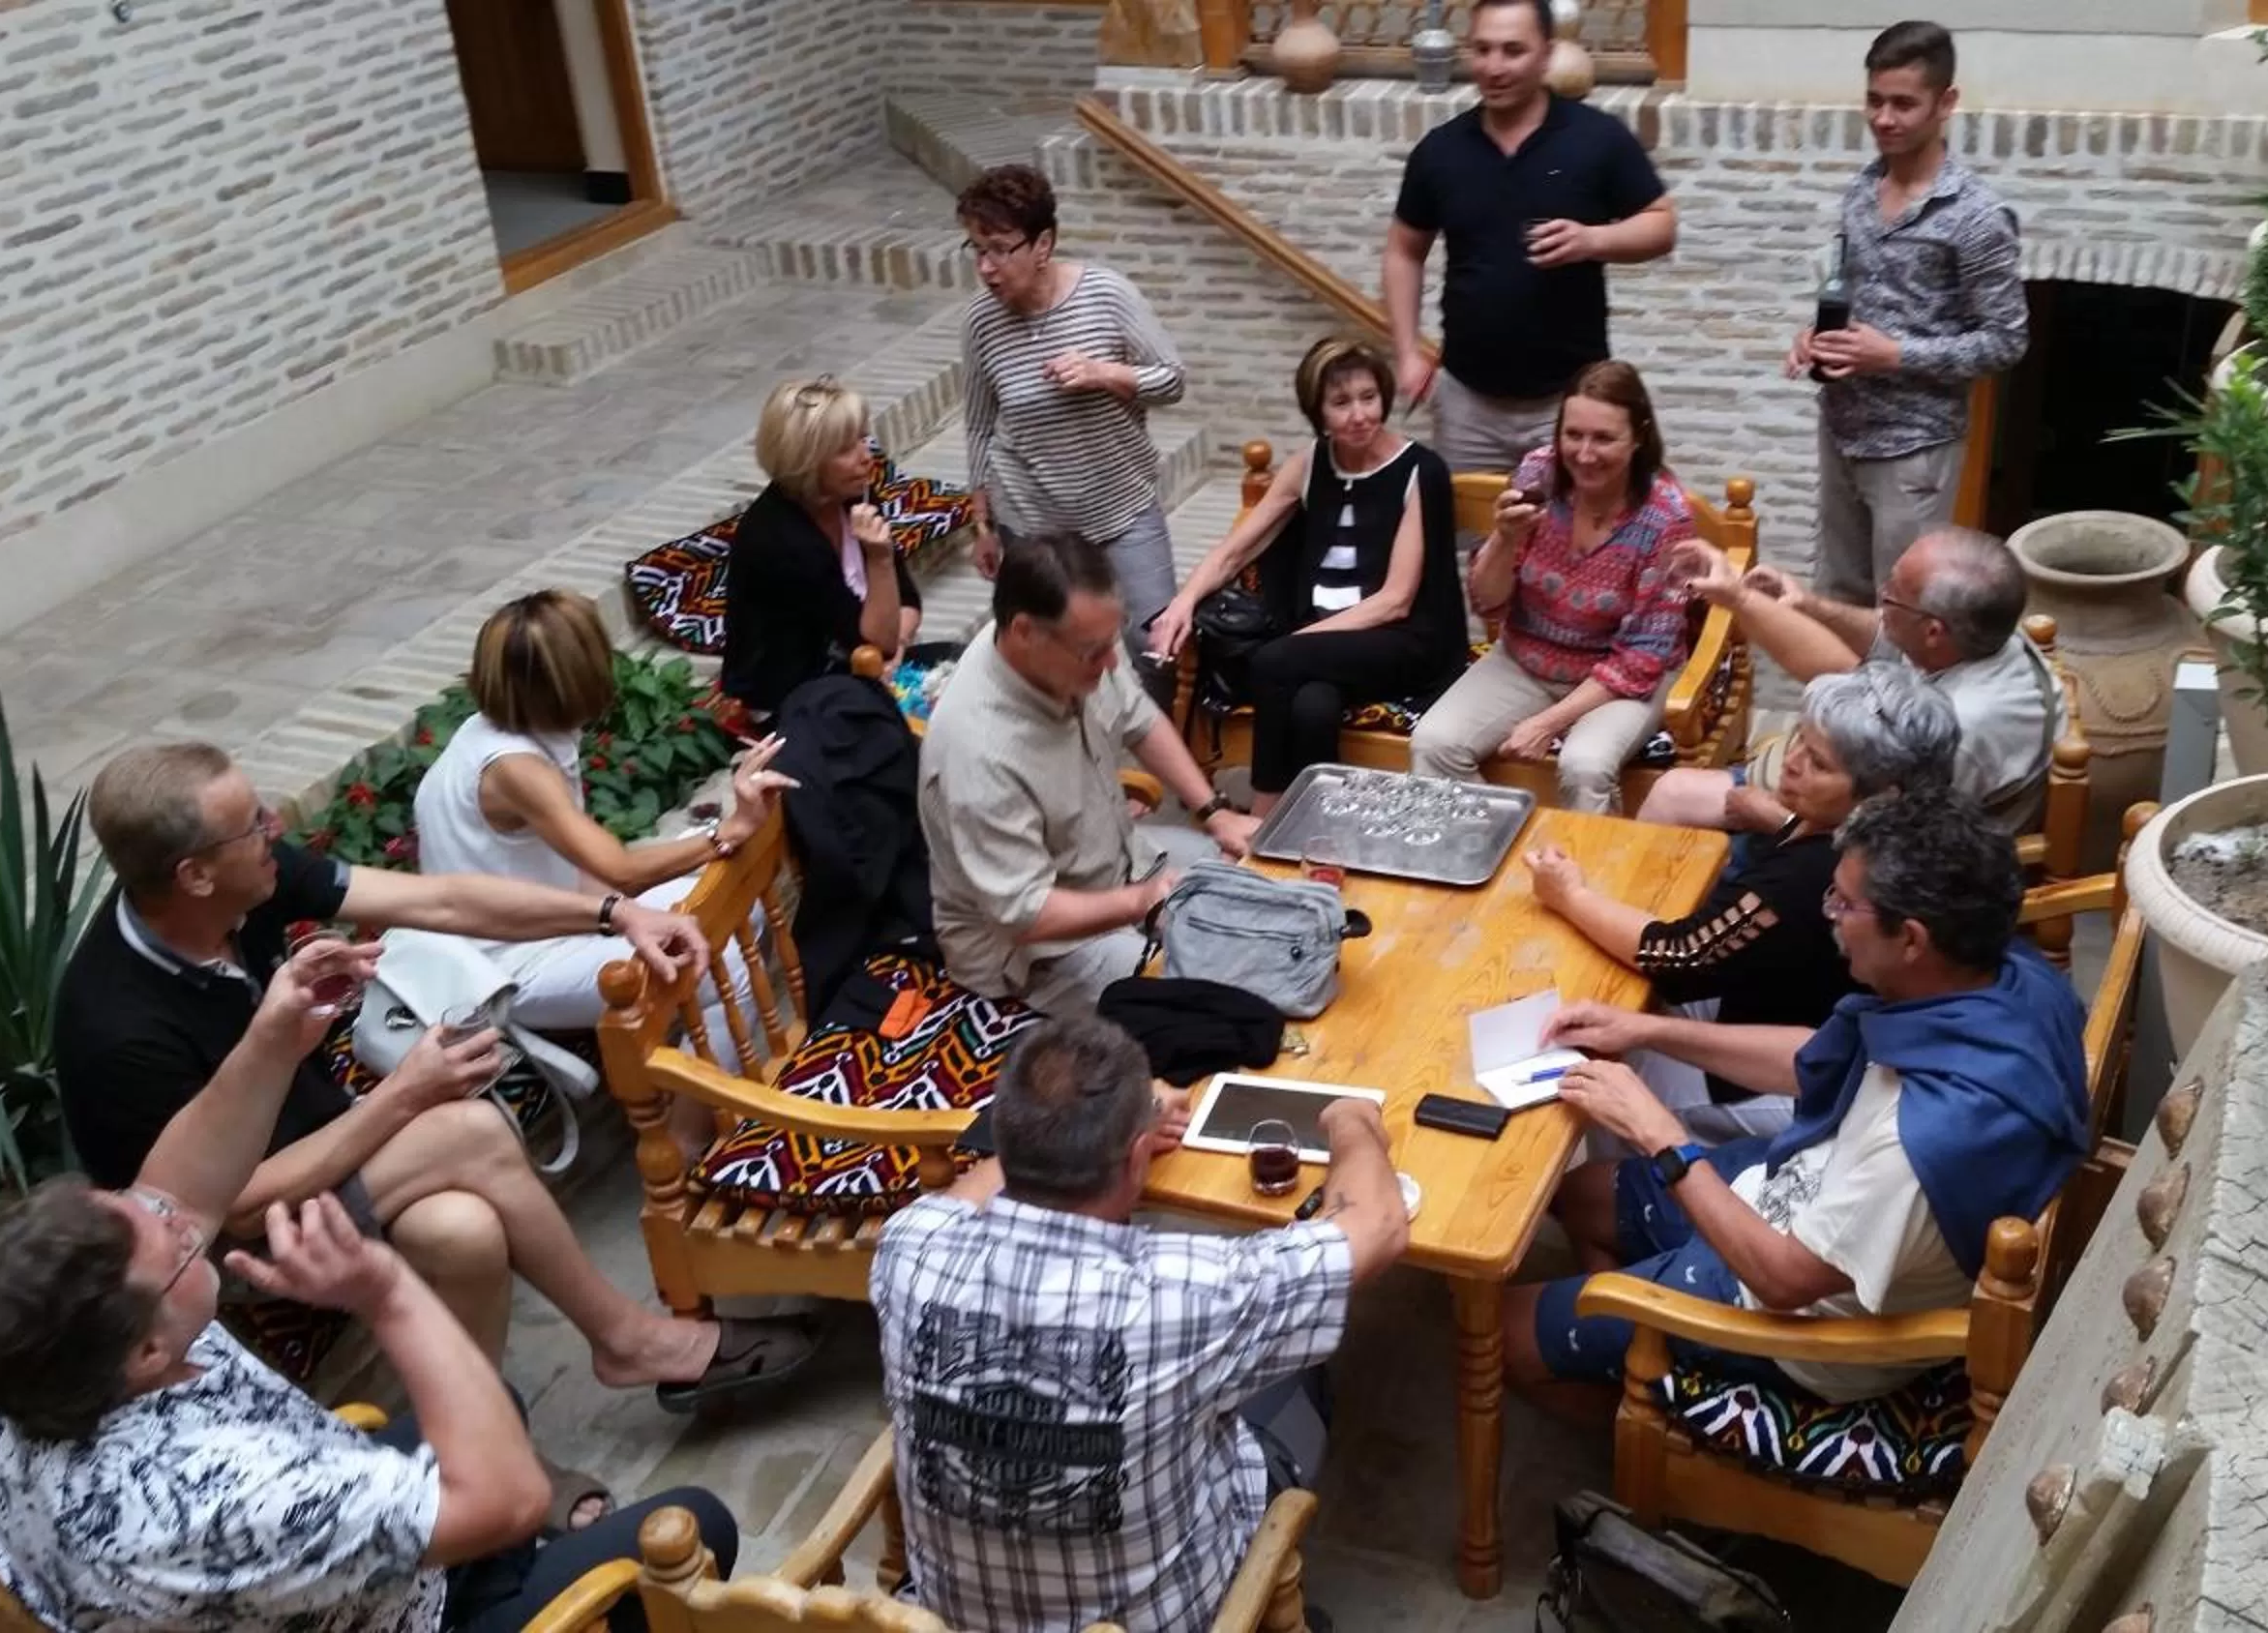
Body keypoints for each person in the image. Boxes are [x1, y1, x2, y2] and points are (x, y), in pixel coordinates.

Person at [0, 939, 738, 1632]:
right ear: (146, 1350)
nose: (189, 1226)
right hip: (404, 1613)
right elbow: (510, 1500)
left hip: (290, 1578)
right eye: (181, 1250)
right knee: (696, 1524)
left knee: (492, 1408)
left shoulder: (6, 1355)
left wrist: (272, 1040)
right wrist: (386, 1292)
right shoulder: (214, 1498)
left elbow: (176, 1192)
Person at [53, 742, 819, 1409]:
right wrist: (403, 1097)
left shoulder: (242, 883)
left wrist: (615, 917)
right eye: (253, 825)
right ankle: (629, 1342)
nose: (274, 832)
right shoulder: (116, 1028)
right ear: (192, 875)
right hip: (225, 1246)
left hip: (327, 1152)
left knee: (465, 1234)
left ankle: (471, 1458)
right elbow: (236, 1210)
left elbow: (441, 900)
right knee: (469, 1129)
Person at [1506, 788, 2089, 1414]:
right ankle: (1623, 1341)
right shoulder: (2005, 980)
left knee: (1504, 1332)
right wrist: (1649, 1030)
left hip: (1798, 1326)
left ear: (1912, 940)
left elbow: (1783, 1280)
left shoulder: (1924, 1141)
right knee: (1577, 1194)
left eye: (1844, 901)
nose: (1828, 913)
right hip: (1796, 1185)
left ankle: (1655, 1428)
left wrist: (1658, 1134)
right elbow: (1817, 1062)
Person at [871, 1017, 1408, 1633]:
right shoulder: (1188, 1294)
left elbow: (976, 1187)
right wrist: (1353, 1122)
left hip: (951, 1619)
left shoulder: (908, 1247)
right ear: (1135, 1159)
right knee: (1302, 1372)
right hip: (1164, 1619)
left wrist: (1115, 1118)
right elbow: (1381, 1225)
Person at [1523, 661, 1958, 1143]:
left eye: (1819, 763)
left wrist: (1570, 895)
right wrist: (1782, 819)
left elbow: (1676, 956)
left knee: (1590, 1077)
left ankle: (1612, 1192)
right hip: (1779, 1014)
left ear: (1879, 797)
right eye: (1799, 739)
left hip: (1791, 1078)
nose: (1791, 761)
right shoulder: (1896, 838)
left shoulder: (1811, 880)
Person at [415, 589, 788, 1138]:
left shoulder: (516, 728)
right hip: (508, 965)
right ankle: (688, 1141)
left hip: (564, 916)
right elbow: (619, 869)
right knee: (719, 965)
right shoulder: (515, 768)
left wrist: (633, 915)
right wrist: (727, 832)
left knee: (735, 916)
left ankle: (684, 1077)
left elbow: (591, 874)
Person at [918, 532, 1263, 1018]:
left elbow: (1140, 720)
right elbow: (1023, 912)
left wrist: (1214, 812)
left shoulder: (1077, 642)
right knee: (1220, 1002)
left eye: (1111, 643)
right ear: (1023, 632)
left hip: (1124, 864)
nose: (1110, 663)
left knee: (1263, 886)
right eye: (1093, 653)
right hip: (1039, 954)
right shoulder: (977, 750)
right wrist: (1139, 902)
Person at [1147, 339, 1466, 811]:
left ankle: (1262, 815)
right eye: (1340, 403)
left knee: (1272, 662)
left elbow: (1396, 600)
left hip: (1404, 638)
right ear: (1317, 411)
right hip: (1324, 648)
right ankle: (1322, 828)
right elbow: (1233, 552)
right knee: (1312, 707)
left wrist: (1300, 642)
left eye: (1368, 398)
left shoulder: (1422, 470)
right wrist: (1182, 603)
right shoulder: (1309, 464)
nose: (1359, 415)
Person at [1787, 20, 2028, 606]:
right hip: (1841, 429)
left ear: (1946, 103)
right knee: (1836, 602)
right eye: (1874, 101)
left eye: (1903, 104)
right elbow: (1847, 293)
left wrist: (1893, 354)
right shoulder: (1861, 191)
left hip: (1914, 451)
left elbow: (2006, 341)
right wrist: (1815, 336)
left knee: (1904, 613)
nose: (1884, 119)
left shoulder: (1976, 217)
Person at [1385, 0, 1676, 476]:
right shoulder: (1440, 151)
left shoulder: (1596, 139)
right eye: (1482, 50)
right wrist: (1406, 352)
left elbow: (1662, 224)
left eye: (1513, 51)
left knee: (1573, 545)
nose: (1494, 67)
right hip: (1465, 404)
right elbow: (1403, 250)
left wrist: (1592, 240)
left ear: (1546, 55)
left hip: (1572, 407)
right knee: (1471, 545)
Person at [1637, 525, 2063, 834]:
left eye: (1892, 596)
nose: (1881, 598)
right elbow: (1882, 641)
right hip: (1839, 785)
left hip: (1857, 831)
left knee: (1672, 805)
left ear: (1934, 631)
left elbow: (1895, 844)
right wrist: (1806, 605)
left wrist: (1778, 820)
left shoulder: (1961, 729)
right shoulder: (1983, 632)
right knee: (1671, 792)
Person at [1408, 360, 1696, 815]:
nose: (1584, 453)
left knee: (1584, 766)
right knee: (1433, 743)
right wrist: (1503, 538)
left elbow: (1641, 660)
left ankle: (1590, 879)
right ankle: (1493, 849)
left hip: (1619, 679)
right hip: (1526, 659)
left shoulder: (1666, 518)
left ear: (1638, 437)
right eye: (1573, 435)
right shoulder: (1537, 474)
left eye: (1604, 438)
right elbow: (1487, 601)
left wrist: (1546, 724)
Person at [956, 163, 1189, 703]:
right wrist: (983, 525)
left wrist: (1105, 373)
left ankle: (1162, 764)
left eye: (999, 249)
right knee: (1047, 652)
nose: (986, 268)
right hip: (1033, 523)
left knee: (1153, 641)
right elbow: (978, 421)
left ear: (1043, 243)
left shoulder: (1107, 296)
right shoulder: (980, 322)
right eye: (975, 250)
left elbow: (1172, 379)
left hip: (1121, 508)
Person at [719, 375, 926, 716]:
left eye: (863, 438)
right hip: (792, 703)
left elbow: (905, 599)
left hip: (857, 670)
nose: (866, 456)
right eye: (846, 449)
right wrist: (879, 559)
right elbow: (872, 643)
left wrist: (897, 644)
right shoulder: (781, 540)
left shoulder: (852, 496)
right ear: (807, 462)